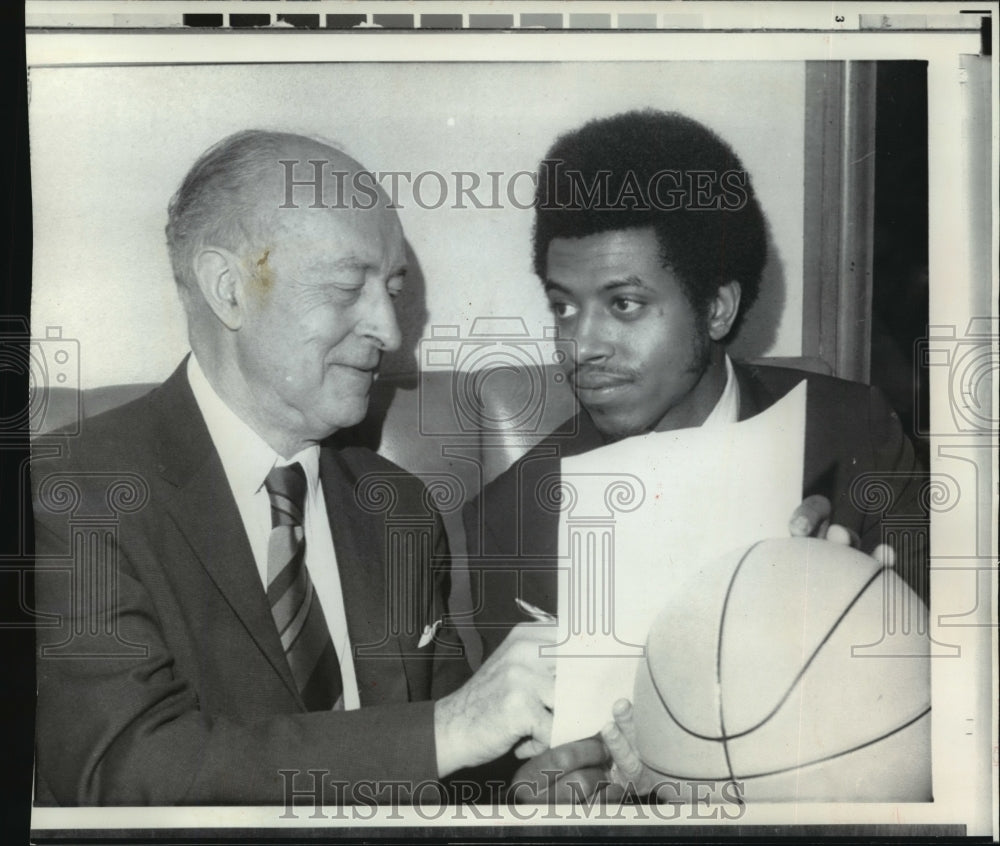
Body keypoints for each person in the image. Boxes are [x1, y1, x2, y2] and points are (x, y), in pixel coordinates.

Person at [31, 130, 558, 806]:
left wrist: (546, 772)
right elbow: (122, 772)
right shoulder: (72, 490)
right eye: (347, 286)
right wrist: (449, 729)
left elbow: (454, 771)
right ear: (228, 290)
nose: (390, 332)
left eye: (393, 290)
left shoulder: (396, 506)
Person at [463, 110, 929, 797]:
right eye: (564, 306)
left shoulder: (854, 432)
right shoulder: (513, 518)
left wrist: (854, 600)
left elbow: (954, 695)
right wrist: (580, 787)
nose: (580, 345)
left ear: (716, 308)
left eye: (623, 305)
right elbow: (537, 768)